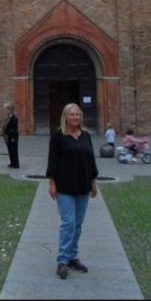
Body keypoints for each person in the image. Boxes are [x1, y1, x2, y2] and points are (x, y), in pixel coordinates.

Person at [46, 103, 98, 280]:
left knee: (78, 224)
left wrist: (93, 182)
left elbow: (91, 160)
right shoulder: (58, 136)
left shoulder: (86, 136)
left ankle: (72, 256)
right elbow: (52, 160)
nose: (75, 117)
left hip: (83, 185)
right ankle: (62, 260)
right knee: (68, 223)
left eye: (78, 114)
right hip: (64, 186)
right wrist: (52, 183)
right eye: (72, 114)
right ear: (65, 117)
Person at [2, 102, 20, 169]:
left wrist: (13, 137)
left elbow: (14, 129)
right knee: (10, 150)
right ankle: (12, 163)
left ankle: (16, 164)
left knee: (14, 150)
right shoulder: (9, 117)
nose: (5, 111)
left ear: (9, 110)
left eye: (6, 109)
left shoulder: (14, 118)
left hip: (13, 137)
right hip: (9, 136)